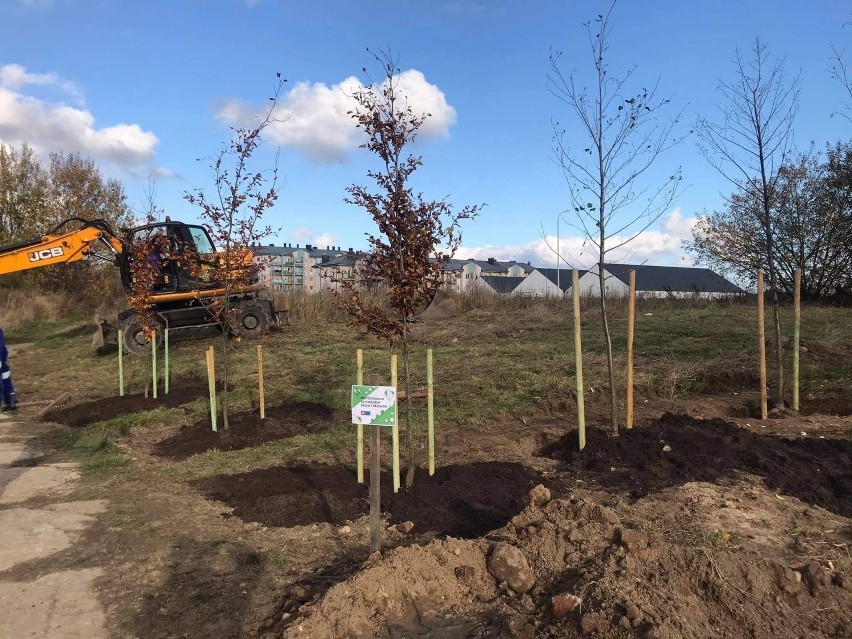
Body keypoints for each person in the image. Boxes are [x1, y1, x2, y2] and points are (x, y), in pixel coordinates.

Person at [0, 328, 17, 412]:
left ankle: (5, 401)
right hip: (2, 356)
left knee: (3, 377)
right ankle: (11, 400)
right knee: (5, 376)